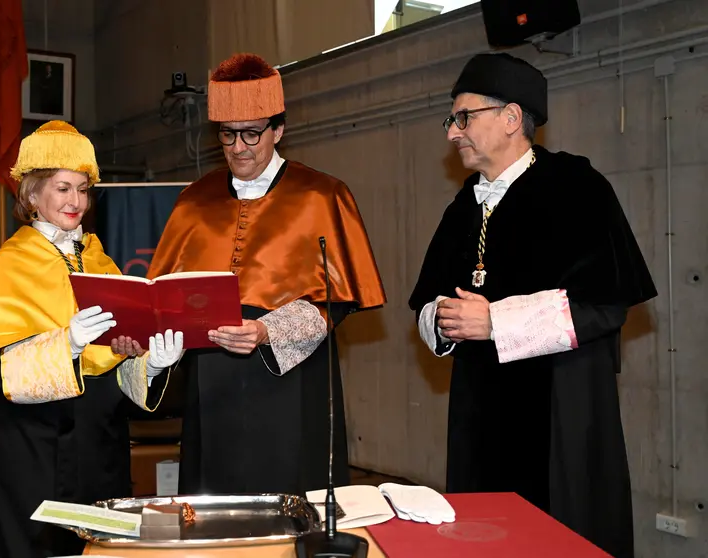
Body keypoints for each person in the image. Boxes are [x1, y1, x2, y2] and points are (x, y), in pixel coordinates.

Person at [408, 53, 656, 558]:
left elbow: (605, 304)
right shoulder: (463, 205)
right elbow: (426, 302)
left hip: (558, 408)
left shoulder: (577, 189)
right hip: (479, 413)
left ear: (512, 118)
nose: (452, 133)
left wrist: (494, 320)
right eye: (451, 120)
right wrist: (443, 320)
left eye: (463, 118)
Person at [0, 121, 185, 558]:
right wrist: (64, 345)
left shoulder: (99, 259)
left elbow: (112, 369)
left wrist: (152, 364)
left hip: (98, 449)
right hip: (31, 453)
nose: (76, 202)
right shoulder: (8, 266)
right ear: (31, 194)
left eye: (83, 190)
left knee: (99, 548)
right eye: (63, 188)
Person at [145, 53, 386, 496]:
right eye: (228, 135)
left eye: (252, 134)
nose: (238, 147)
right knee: (213, 503)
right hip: (210, 380)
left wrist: (264, 330)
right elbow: (166, 296)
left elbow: (338, 300)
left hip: (289, 379)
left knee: (289, 503)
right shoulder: (193, 201)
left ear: (279, 130)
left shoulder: (322, 195)